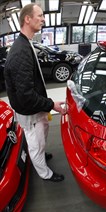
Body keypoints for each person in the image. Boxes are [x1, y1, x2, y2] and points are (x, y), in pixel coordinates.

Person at [4, 3, 65, 182]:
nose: (44, 19)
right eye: (40, 15)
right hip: (29, 110)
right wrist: (51, 104)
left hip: (35, 107)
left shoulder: (26, 43)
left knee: (42, 134)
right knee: (35, 142)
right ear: (27, 19)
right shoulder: (20, 51)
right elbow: (26, 95)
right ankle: (44, 173)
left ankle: (40, 155)